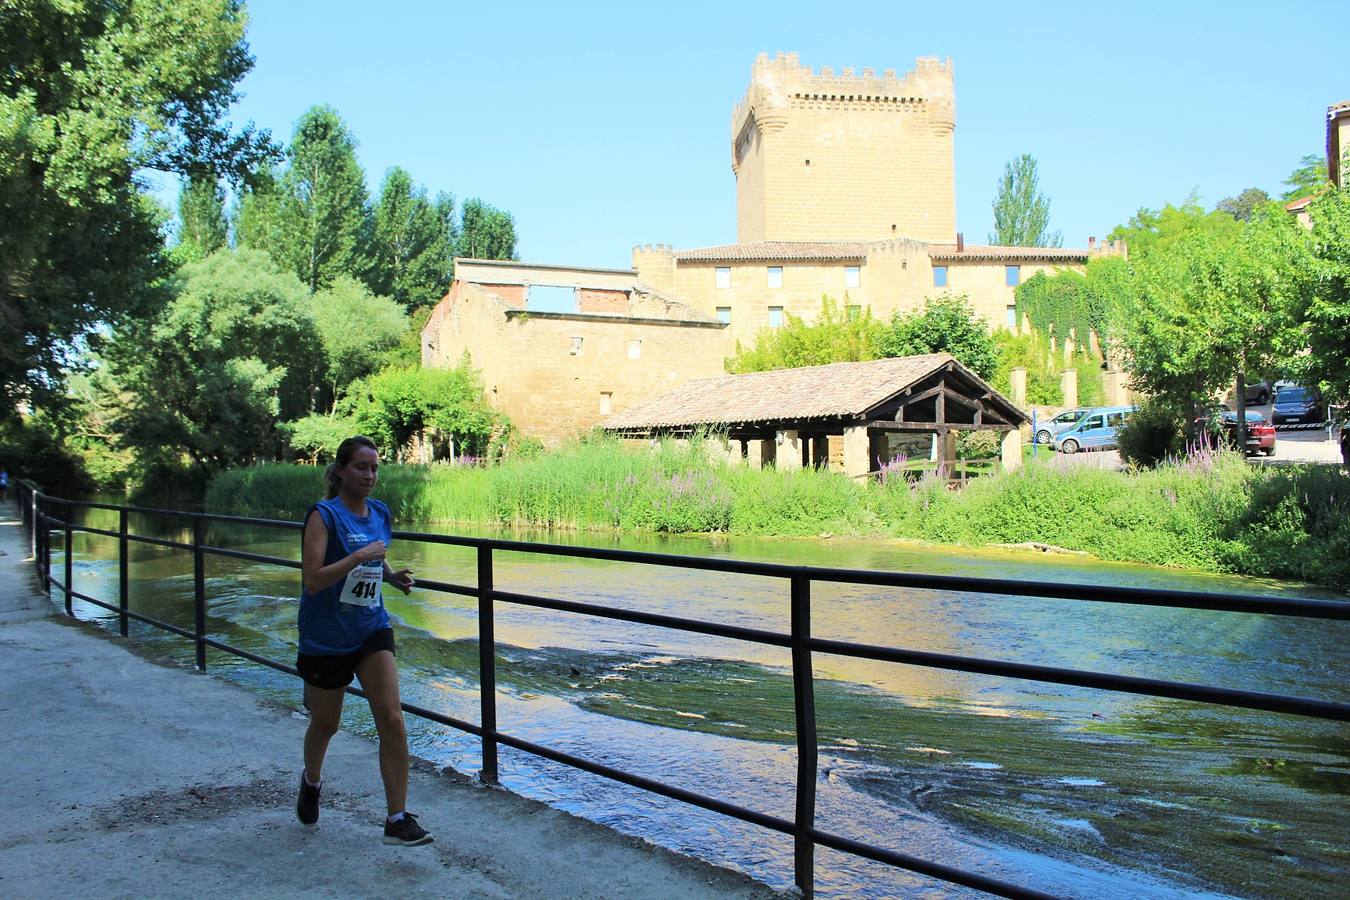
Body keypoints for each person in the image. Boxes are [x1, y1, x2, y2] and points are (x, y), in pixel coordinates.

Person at [294, 435, 432, 845]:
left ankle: (396, 818)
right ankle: (311, 781)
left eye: (374, 468)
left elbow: (375, 553)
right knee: (326, 723)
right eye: (361, 467)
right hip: (325, 636)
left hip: (371, 628)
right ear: (340, 471)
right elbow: (313, 579)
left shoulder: (381, 513)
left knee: (391, 718)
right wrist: (357, 557)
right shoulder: (323, 516)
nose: (370, 475)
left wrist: (390, 576)